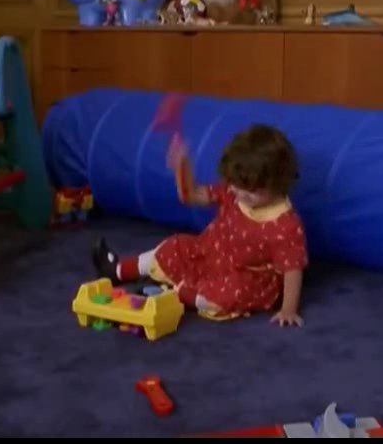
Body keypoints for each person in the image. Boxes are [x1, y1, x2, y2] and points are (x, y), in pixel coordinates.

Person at [92, 123, 308, 326]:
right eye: (236, 185)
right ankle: (118, 270)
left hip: (245, 277)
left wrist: (288, 309)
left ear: (277, 183)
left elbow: (292, 269)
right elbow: (191, 195)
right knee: (175, 246)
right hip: (210, 254)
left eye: (252, 190)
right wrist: (183, 167)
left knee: (232, 293)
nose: (241, 193)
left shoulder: (285, 224)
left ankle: (178, 293)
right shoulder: (233, 191)